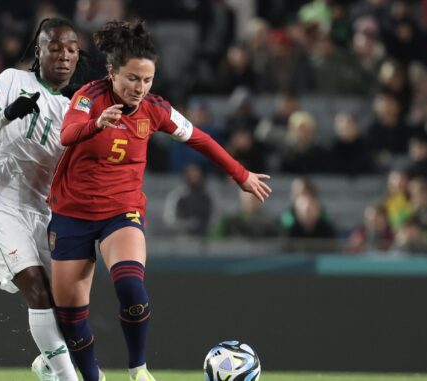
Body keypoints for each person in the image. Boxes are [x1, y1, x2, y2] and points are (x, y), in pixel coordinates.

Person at [47, 20, 271, 381]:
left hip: (121, 212)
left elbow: (200, 139)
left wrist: (240, 174)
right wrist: (97, 124)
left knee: (131, 286)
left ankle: (138, 370)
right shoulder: (89, 97)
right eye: (133, 78)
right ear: (112, 73)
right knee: (71, 315)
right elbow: (67, 133)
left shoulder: (156, 109)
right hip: (72, 213)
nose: (140, 87)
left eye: (148, 80)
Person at [0, 18, 81, 381]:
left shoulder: (74, 110)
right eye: (55, 47)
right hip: (1, 203)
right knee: (35, 286)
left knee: (66, 304)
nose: (63, 55)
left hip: (43, 213)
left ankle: (46, 365)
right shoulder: (12, 80)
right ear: (39, 51)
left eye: (71, 49)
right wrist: (8, 113)